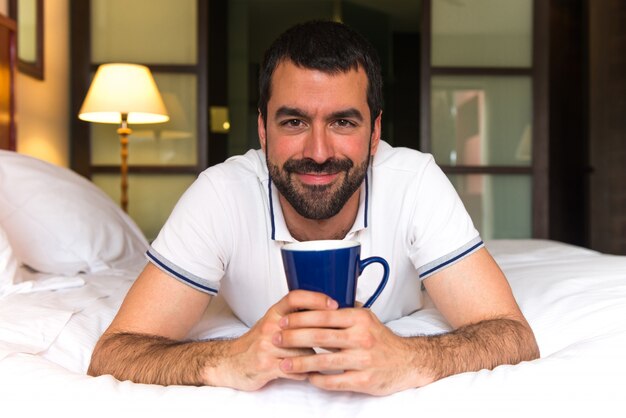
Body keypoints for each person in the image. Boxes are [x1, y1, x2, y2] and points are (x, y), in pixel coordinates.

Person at [88, 20, 539, 396]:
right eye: (294, 121)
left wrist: (409, 358)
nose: (319, 151)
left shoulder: (414, 181)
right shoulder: (221, 194)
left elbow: (512, 334)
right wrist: (228, 357)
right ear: (263, 130)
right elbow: (115, 351)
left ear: (374, 132)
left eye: (343, 121)